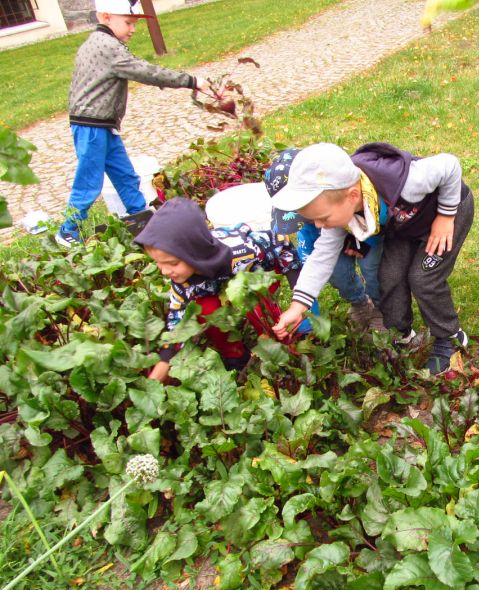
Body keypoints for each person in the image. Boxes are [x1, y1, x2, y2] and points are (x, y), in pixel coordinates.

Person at [266, 142, 475, 376]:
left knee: (423, 279)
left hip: (446, 215)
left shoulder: (406, 182)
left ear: (353, 196)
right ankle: (401, 334)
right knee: (389, 275)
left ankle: (450, 338)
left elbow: (449, 165)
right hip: (406, 224)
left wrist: (446, 216)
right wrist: (298, 306)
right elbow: (321, 258)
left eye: (322, 218)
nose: (319, 225)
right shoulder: (338, 205)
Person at [56, 0, 212, 248]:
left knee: (125, 176)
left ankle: (143, 220)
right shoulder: (106, 46)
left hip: (103, 124)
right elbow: (145, 71)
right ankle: (67, 230)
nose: (133, 29)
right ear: (105, 17)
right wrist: (191, 81)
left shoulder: (102, 43)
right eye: (128, 22)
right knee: (89, 182)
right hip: (90, 125)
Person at [134, 198, 308, 381]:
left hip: (256, 278)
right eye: (158, 263)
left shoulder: (242, 251)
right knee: (206, 310)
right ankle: (235, 355)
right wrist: (160, 370)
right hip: (219, 291)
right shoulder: (181, 283)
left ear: (193, 253)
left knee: (259, 308)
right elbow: (176, 323)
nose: (164, 271)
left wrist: (298, 299)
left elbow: (281, 244)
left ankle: (280, 344)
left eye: (172, 263)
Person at [263, 149, 385, 332]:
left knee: (372, 268)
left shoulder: (344, 197)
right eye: (308, 218)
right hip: (334, 241)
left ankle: (380, 307)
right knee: (338, 273)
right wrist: (303, 316)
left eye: (317, 217)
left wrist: (363, 243)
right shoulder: (314, 227)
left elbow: (375, 221)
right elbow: (316, 263)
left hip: (368, 236)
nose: (317, 224)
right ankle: (360, 303)